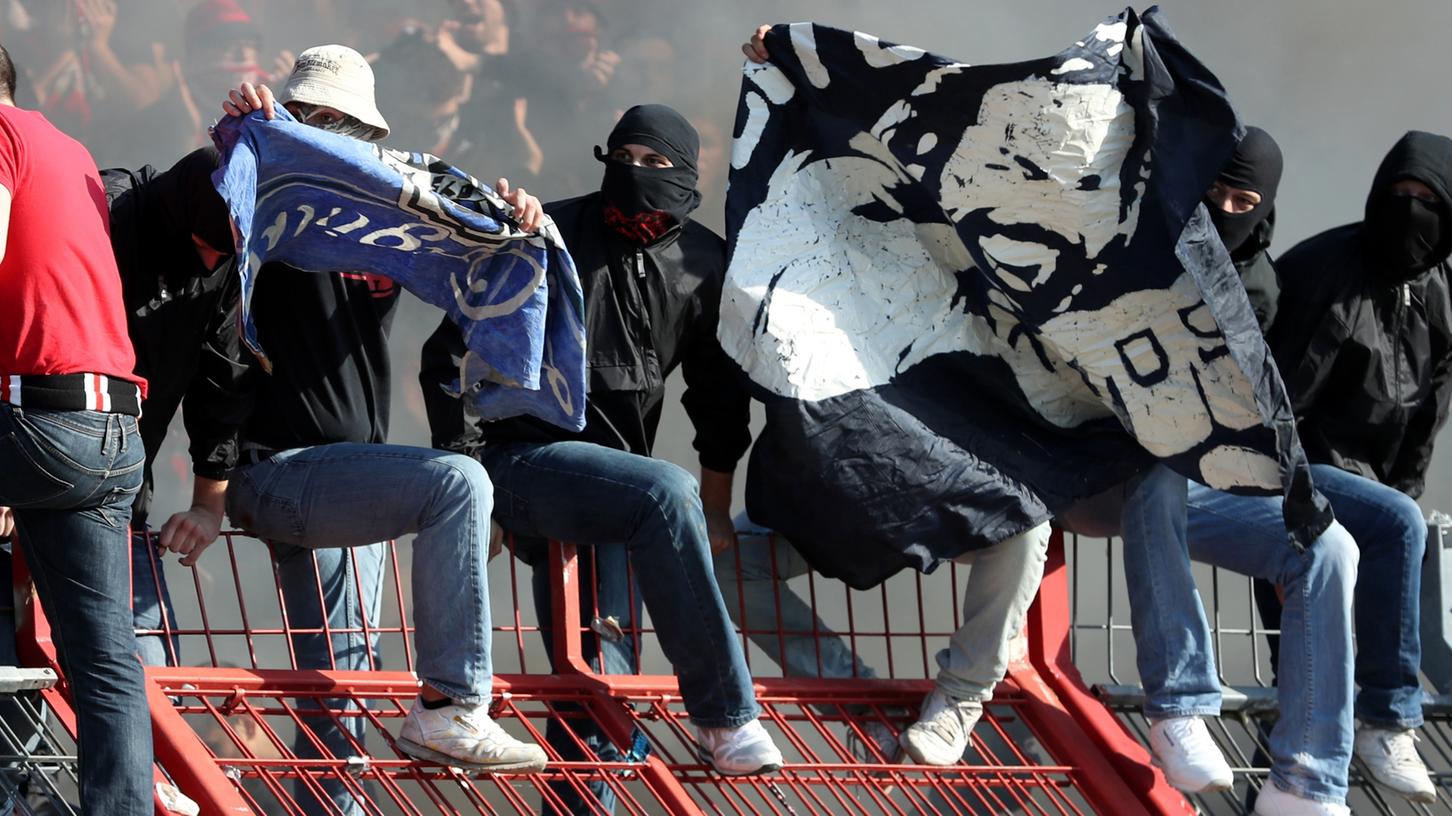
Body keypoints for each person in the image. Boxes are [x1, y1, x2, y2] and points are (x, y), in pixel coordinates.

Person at [205, 46, 552, 812]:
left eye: (344, 126)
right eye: (310, 120)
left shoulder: (388, 213)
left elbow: (478, 278)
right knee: (460, 480)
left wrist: (511, 221)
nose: (328, 136)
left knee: (345, 682)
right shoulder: (262, 194)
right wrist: (242, 134)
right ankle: (454, 706)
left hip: (350, 478)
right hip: (280, 470)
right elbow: (211, 216)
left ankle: (341, 804)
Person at [420, 103, 784, 815]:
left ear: (685, 173)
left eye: (654, 163)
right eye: (624, 156)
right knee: (661, 493)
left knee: (601, 681)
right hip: (520, 461)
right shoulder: (542, 235)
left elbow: (717, 400)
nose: (634, 173)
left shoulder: (703, 262)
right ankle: (724, 715)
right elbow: (449, 358)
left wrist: (714, 508)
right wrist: (469, 486)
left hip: (619, 488)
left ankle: (584, 804)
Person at [1084, 128, 1361, 816]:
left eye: (1243, 202)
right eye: (1213, 195)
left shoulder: (1256, 289)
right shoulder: (1118, 239)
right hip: (1081, 469)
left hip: (1181, 472)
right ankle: (1178, 703)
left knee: (1331, 546)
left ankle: (1305, 781)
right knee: (1159, 459)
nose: (1226, 213)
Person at [1264, 130, 1452, 805]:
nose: (1410, 209)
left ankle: (1295, 786)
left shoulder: (1440, 291)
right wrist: (1298, 514)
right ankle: (1389, 717)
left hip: (1371, 492)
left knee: (1310, 686)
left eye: (1428, 199)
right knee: (1304, 677)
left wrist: (1394, 501)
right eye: (1398, 194)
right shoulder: (1326, 276)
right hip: (1295, 479)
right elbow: (1276, 408)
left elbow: (1427, 417)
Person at [0, 40, 152, 814]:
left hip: (39, 419)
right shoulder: (71, 148)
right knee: (107, 659)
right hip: (112, 430)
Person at [101, 145, 246, 668]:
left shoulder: (231, 255)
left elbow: (222, 384)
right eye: (202, 246)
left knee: (158, 689)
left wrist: (209, 507)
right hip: (25, 490)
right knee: (20, 708)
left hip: (121, 507)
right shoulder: (107, 211)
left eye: (223, 253)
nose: (211, 263)